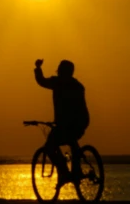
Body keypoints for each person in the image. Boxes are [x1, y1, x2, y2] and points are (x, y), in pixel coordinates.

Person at [33, 58, 90, 188]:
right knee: (66, 142)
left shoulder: (61, 83)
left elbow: (41, 81)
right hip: (76, 123)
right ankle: (72, 173)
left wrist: (38, 68)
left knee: (51, 146)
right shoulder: (76, 85)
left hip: (71, 123)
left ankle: (66, 172)